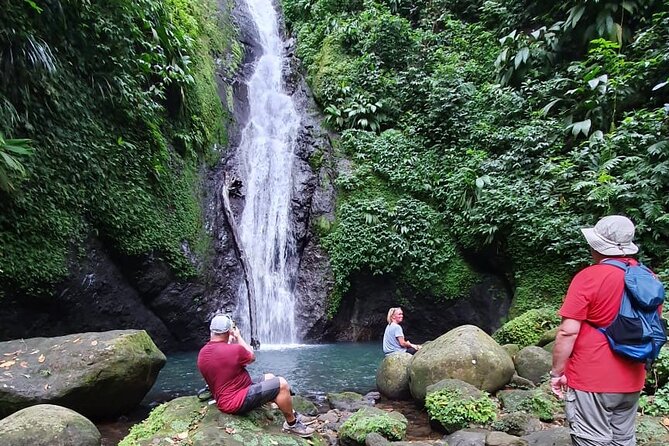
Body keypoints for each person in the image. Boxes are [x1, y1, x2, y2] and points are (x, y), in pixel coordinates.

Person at [550, 215, 657, 446]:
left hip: (592, 378)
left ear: (597, 246)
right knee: (623, 440)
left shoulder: (589, 277)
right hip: (632, 378)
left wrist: (557, 373)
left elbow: (568, 332)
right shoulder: (648, 277)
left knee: (592, 440)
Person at [197, 314, 314, 437]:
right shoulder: (234, 350)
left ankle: (293, 413)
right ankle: (292, 424)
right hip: (235, 401)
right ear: (229, 331)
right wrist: (238, 336)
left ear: (212, 331)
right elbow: (251, 356)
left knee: (270, 377)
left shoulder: (202, 353)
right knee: (281, 384)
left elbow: (221, 369)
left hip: (230, 394)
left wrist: (229, 341)